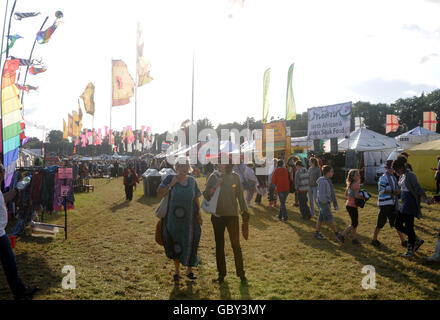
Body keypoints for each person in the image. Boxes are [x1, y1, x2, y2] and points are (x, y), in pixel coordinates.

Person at [203, 157, 249, 284]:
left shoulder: (235, 177)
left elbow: (240, 196)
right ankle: (221, 274)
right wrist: (216, 184)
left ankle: (241, 274)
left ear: (228, 164)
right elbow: (206, 195)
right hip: (217, 217)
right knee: (219, 246)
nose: (219, 164)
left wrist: (244, 212)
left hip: (232, 216)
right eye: (218, 162)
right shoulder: (213, 176)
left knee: (236, 245)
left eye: (222, 162)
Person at [157, 157, 202, 281]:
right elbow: (159, 193)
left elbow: (196, 198)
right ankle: (177, 272)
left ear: (189, 168)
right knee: (175, 243)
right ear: (176, 167)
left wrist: (199, 213)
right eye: (181, 166)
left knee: (191, 242)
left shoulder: (192, 181)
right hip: (173, 220)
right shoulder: (170, 178)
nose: (183, 168)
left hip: (190, 221)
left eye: (186, 166)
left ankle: (189, 270)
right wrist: (171, 185)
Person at [0, 164, 38, 300]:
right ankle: (20, 292)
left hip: (1, 234)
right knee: (10, 264)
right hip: (0, 236)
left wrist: (24, 183)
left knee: (10, 264)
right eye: (3, 171)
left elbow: (7, 197)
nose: (5, 174)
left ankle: (20, 292)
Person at [392, 156, 430, 257]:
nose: (395, 172)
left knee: (409, 227)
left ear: (401, 167)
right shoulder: (402, 175)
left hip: (410, 203)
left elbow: (417, 188)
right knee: (397, 224)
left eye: (396, 170)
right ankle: (416, 239)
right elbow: (404, 188)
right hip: (404, 203)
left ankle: (410, 249)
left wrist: (425, 199)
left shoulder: (410, 175)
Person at [371, 160, 407, 248]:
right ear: (386, 168)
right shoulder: (383, 178)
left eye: (393, 168)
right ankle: (374, 239)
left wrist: (398, 191)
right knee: (380, 223)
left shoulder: (393, 177)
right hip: (384, 204)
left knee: (396, 223)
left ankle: (403, 241)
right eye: (390, 168)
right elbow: (381, 190)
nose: (392, 170)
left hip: (392, 203)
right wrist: (393, 191)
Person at [314, 165, 345, 243]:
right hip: (323, 203)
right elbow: (321, 194)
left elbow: (331, 193)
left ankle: (317, 233)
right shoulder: (323, 181)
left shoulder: (327, 180)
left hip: (324, 202)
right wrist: (325, 202)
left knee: (320, 218)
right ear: (328, 173)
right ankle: (337, 235)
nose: (333, 173)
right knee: (330, 218)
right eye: (332, 171)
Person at [340, 169, 363, 245]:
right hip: (352, 206)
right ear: (353, 177)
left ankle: (353, 238)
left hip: (348, 205)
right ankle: (342, 235)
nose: (359, 175)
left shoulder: (350, 183)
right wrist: (363, 196)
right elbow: (357, 196)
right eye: (357, 174)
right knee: (354, 223)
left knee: (355, 222)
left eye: (359, 174)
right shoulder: (356, 184)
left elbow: (346, 194)